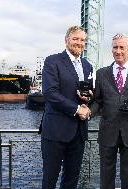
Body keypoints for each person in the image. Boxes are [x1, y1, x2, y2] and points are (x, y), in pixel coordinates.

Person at [89, 33, 128, 189]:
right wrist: (89, 112)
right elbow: (98, 101)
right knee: (106, 177)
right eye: (115, 47)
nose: (118, 51)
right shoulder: (101, 73)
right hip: (107, 133)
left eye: (122, 47)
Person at [41, 26, 93, 189]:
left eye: (82, 40)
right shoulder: (52, 61)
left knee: (72, 179)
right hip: (55, 131)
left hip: (78, 132)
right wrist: (77, 109)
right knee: (50, 179)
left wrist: (87, 100)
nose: (79, 43)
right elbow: (50, 93)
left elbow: (88, 94)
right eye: (75, 39)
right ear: (66, 40)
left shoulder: (87, 66)